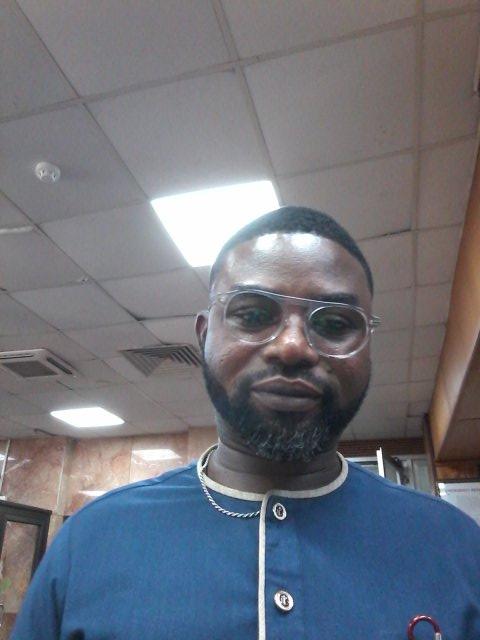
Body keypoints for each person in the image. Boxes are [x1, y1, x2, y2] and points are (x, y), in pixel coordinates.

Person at [12, 206, 480, 639]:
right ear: (204, 336)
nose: (293, 347)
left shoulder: (455, 548)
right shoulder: (91, 542)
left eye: (335, 324)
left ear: (368, 347)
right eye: (253, 315)